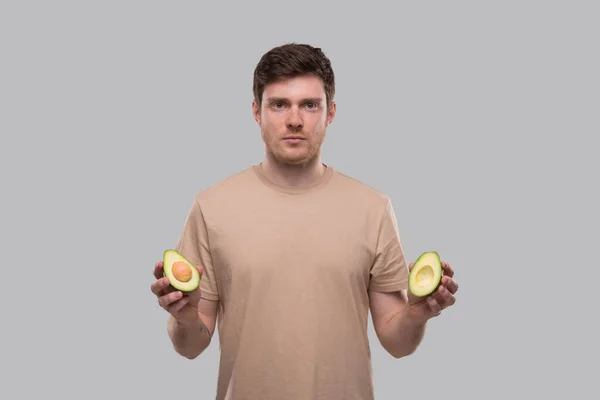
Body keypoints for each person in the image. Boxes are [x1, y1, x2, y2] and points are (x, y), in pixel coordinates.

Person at [150, 43, 459, 399]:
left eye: (309, 105)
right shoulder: (211, 207)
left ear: (330, 113)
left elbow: (397, 341)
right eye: (279, 104)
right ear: (256, 112)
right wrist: (185, 316)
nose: (294, 120)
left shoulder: (372, 208)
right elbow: (191, 345)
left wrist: (417, 315)